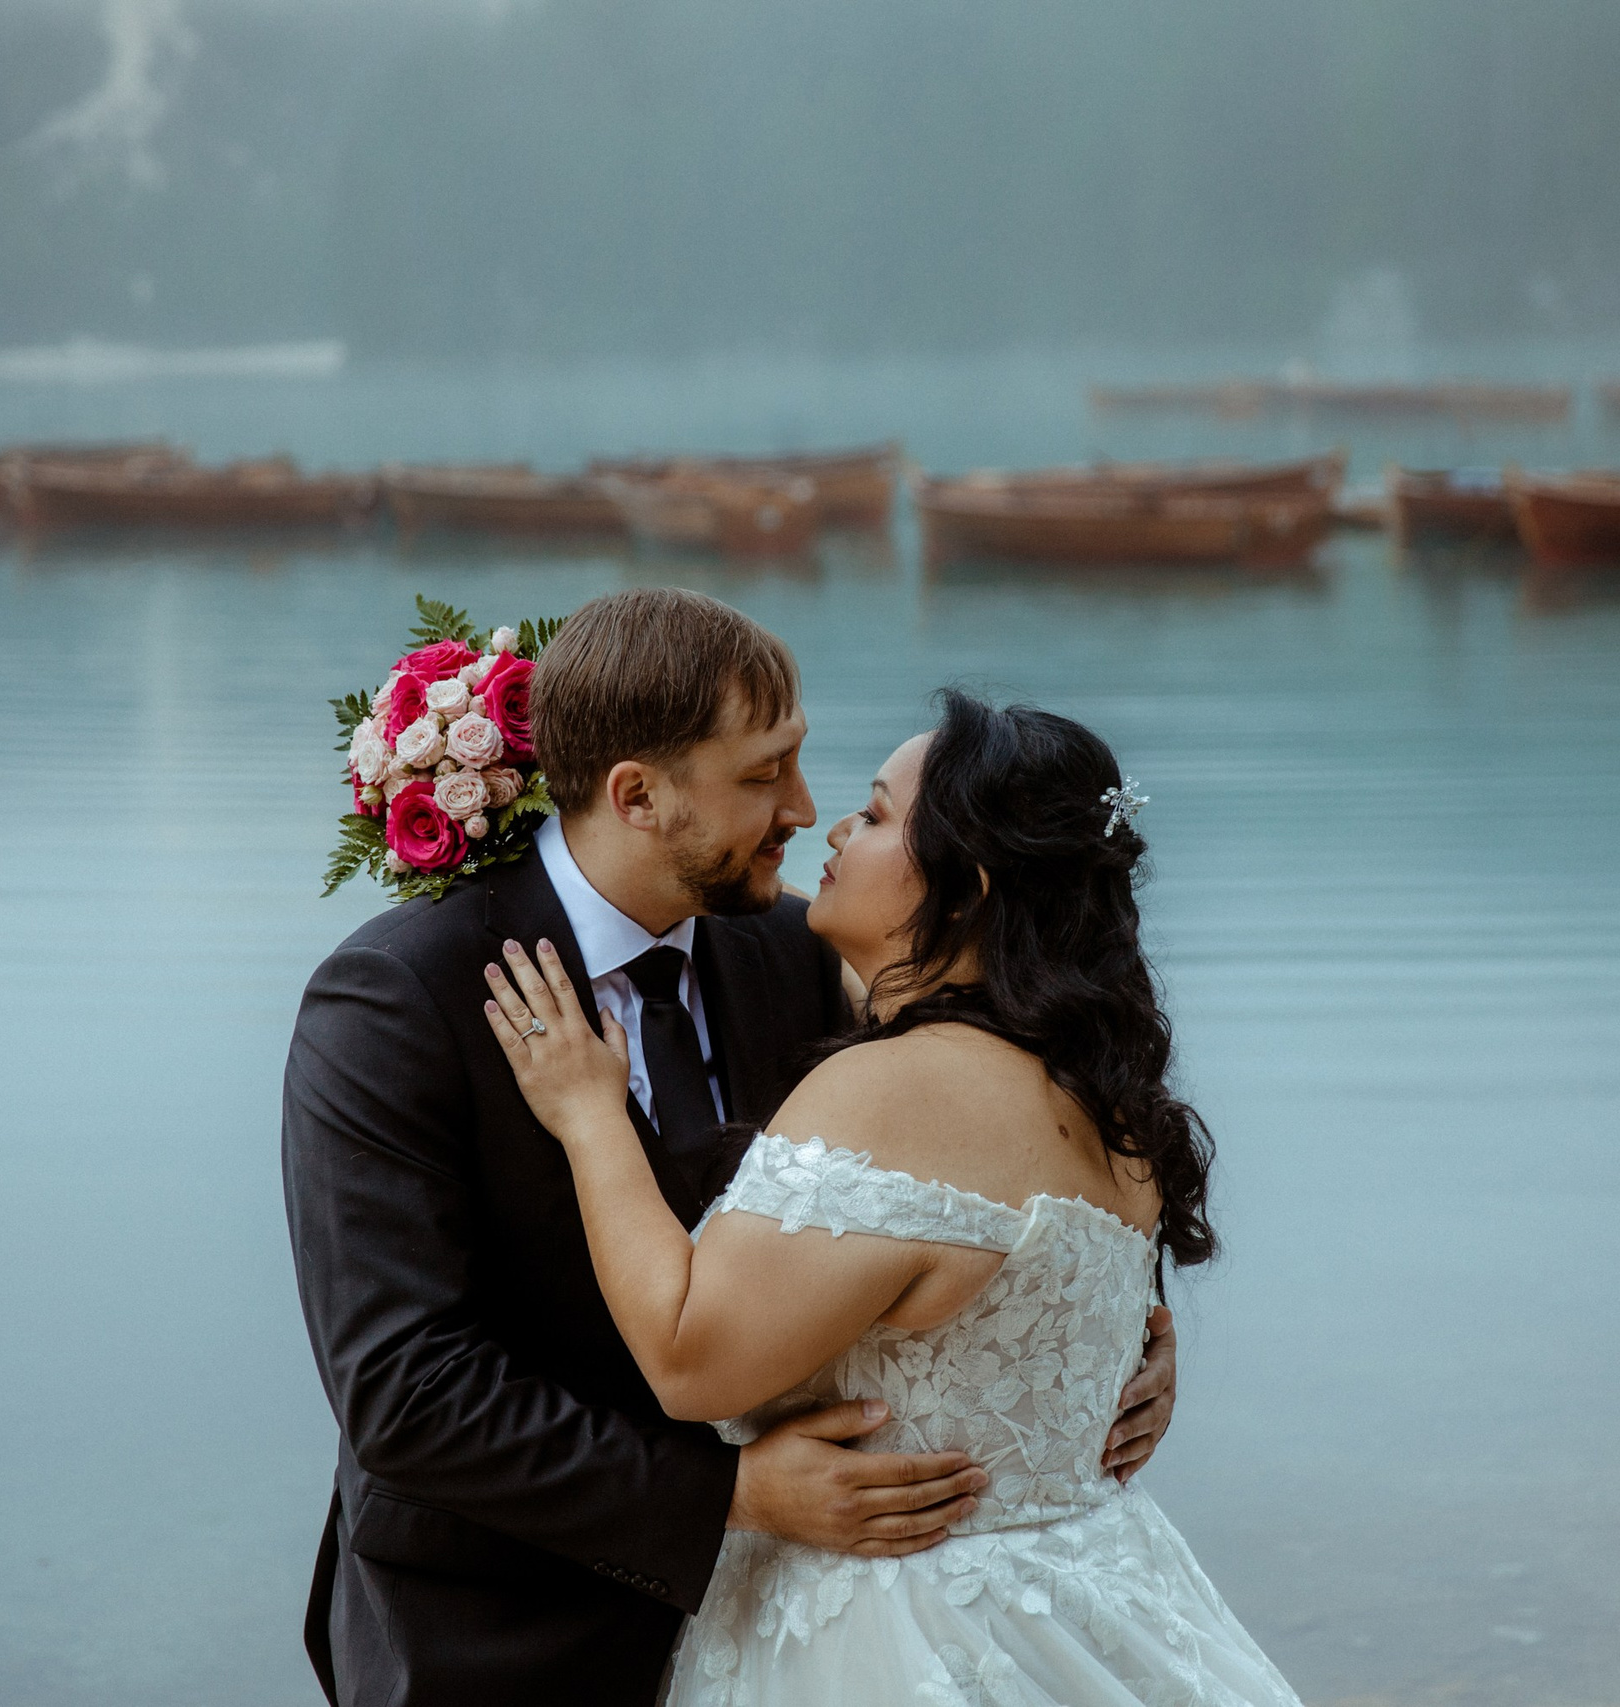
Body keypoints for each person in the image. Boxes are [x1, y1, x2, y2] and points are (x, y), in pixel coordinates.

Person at [282, 591, 1181, 1706]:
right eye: (764, 776)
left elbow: (1005, 1133)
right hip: (505, 1626)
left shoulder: (790, 952)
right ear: (638, 795)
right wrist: (728, 1497)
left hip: (808, 1624)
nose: (803, 811)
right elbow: (405, 1394)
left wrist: (1101, 1328)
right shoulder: (402, 997)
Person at [481, 688, 1298, 1706]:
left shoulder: (896, 1086)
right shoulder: (1102, 1088)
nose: (828, 823)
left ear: (967, 881)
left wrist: (589, 1115)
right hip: (1091, 1593)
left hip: (897, 1631)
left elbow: (692, 1364)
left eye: (871, 815)